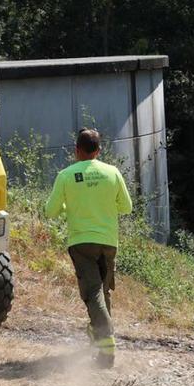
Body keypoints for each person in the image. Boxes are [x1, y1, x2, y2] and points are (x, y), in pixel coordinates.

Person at [43, 127, 133, 368]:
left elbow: (50, 211)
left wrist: (68, 208)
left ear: (76, 151)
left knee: (92, 293)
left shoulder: (66, 175)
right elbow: (126, 207)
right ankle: (101, 345)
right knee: (103, 292)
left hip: (81, 243)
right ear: (99, 151)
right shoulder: (112, 172)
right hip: (108, 241)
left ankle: (106, 340)